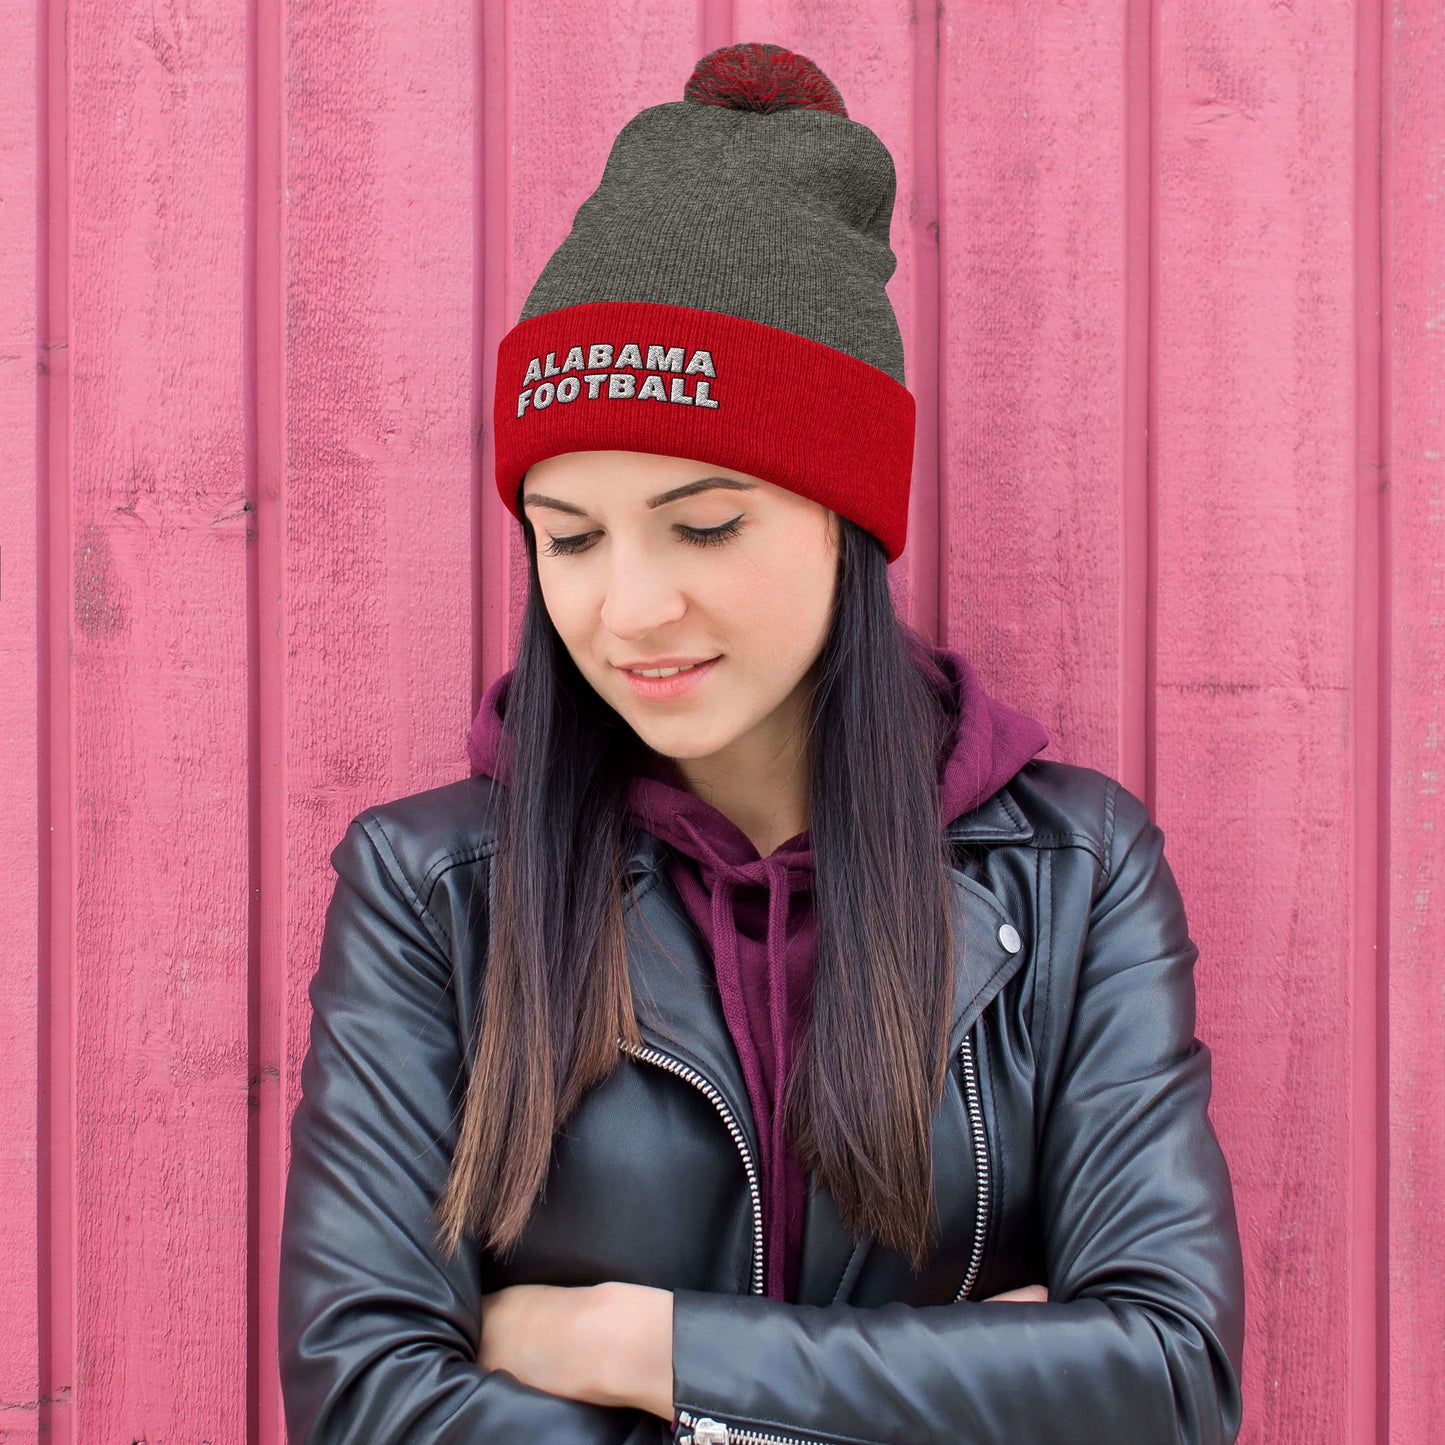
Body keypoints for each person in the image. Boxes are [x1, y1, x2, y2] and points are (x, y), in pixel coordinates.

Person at [278, 41, 1246, 1445]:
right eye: (569, 537)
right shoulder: (434, 890)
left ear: (846, 518)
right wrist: (962, 1377)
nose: (629, 607)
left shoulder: (1072, 868)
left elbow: (1164, 1380)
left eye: (705, 523)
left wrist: (630, 1339)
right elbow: (368, 1401)